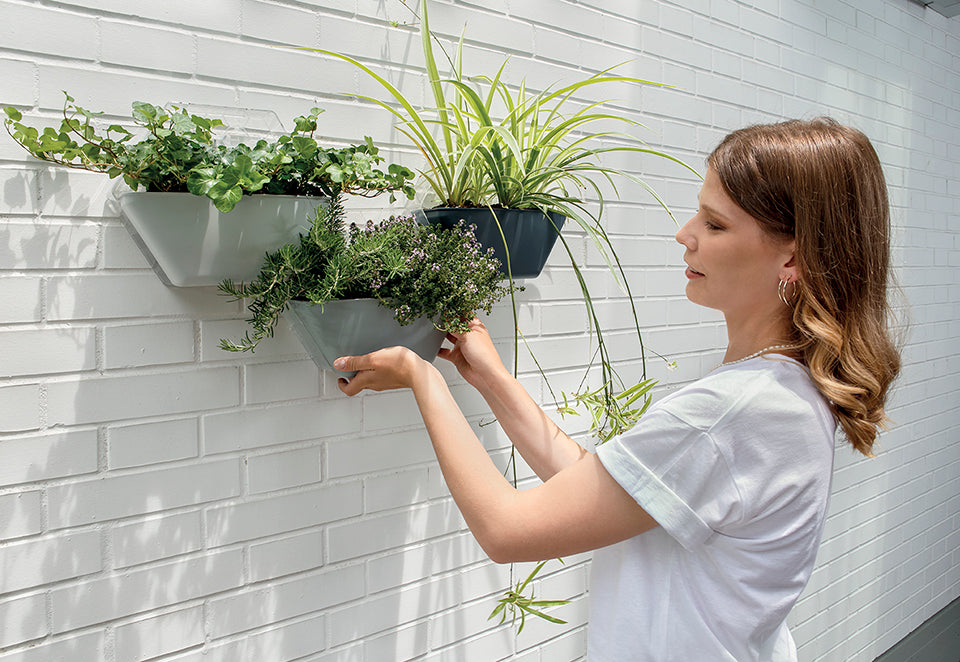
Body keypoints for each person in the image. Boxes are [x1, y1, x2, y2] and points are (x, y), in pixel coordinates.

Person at [332, 118, 902, 661]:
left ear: (793, 256)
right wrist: (492, 381)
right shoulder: (779, 391)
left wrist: (423, 379)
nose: (685, 235)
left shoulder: (735, 412)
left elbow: (507, 530)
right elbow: (604, 487)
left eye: (715, 224)